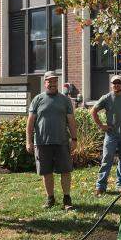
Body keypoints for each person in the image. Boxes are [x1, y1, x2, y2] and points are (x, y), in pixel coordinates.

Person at [26, 71, 78, 210]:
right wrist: (28, 141)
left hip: (61, 141)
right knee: (46, 172)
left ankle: (67, 199)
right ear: (45, 83)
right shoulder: (37, 99)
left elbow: (71, 121)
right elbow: (30, 122)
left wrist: (74, 139)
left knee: (65, 171)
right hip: (42, 142)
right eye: (50, 81)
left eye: (55, 81)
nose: (52, 83)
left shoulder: (65, 100)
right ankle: (50, 198)